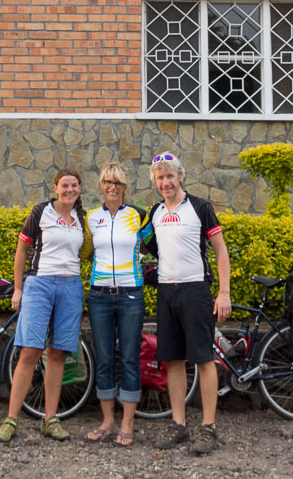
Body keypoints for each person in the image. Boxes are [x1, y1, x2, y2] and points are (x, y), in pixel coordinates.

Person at [142, 152, 232, 455]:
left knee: (204, 359)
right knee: (173, 360)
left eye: (170, 176)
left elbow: (220, 251)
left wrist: (224, 293)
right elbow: (149, 247)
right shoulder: (154, 211)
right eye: (160, 177)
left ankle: (209, 428)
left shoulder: (200, 207)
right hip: (167, 291)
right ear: (155, 182)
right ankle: (178, 425)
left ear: (180, 176)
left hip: (196, 289)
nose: (165, 182)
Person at [0, 168, 91, 443]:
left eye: (74, 185)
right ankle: (10, 420)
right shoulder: (41, 211)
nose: (69, 190)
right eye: (64, 185)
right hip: (40, 285)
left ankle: (50, 419)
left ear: (80, 188)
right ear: (56, 186)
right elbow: (22, 250)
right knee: (30, 352)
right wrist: (19, 288)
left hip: (71, 287)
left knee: (57, 354)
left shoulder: (82, 219)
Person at [80, 162, 148, 447]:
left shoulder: (138, 216)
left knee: (130, 358)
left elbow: (152, 247)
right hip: (99, 295)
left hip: (131, 293)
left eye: (117, 183)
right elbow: (83, 252)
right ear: (101, 185)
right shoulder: (91, 218)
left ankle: (128, 423)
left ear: (125, 187)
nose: (112, 187)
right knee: (105, 358)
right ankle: (107, 421)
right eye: (107, 182)